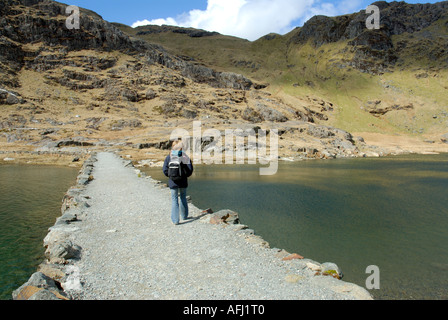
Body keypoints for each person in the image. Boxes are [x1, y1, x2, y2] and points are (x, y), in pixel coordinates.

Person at [162, 140, 193, 225]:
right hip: (183, 181)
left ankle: (175, 220)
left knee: (174, 200)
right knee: (183, 197)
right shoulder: (184, 156)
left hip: (173, 182)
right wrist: (184, 176)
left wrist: (171, 176)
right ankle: (184, 216)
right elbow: (190, 170)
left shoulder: (169, 157)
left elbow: (165, 170)